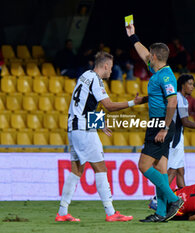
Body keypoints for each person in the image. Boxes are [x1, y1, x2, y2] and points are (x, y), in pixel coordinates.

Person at [55, 51, 140, 222]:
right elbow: (108, 106)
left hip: (74, 127)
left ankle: (62, 212)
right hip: (84, 130)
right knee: (100, 168)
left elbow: (83, 106)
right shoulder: (96, 79)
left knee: (77, 170)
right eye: (111, 67)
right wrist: (133, 102)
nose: (111, 71)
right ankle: (111, 212)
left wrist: (99, 121)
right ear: (106, 66)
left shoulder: (84, 76)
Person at [126, 23, 184, 222]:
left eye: (150, 54)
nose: (147, 57)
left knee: (143, 166)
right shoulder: (156, 71)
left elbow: (173, 101)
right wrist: (133, 36)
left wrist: (164, 128)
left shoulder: (166, 75)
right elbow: (142, 53)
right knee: (160, 169)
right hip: (159, 123)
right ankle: (160, 213)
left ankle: (173, 199)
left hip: (161, 125)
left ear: (156, 56)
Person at [149, 74, 195, 209]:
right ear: (182, 85)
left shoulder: (179, 98)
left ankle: (185, 198)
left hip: (176, 137)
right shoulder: (180, 99)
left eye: (193, 84)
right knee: (172, 169)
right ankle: (156, 199)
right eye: (190, 84)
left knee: (180, 170)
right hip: (174, 138)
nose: (192, 87)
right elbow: (185, 122)